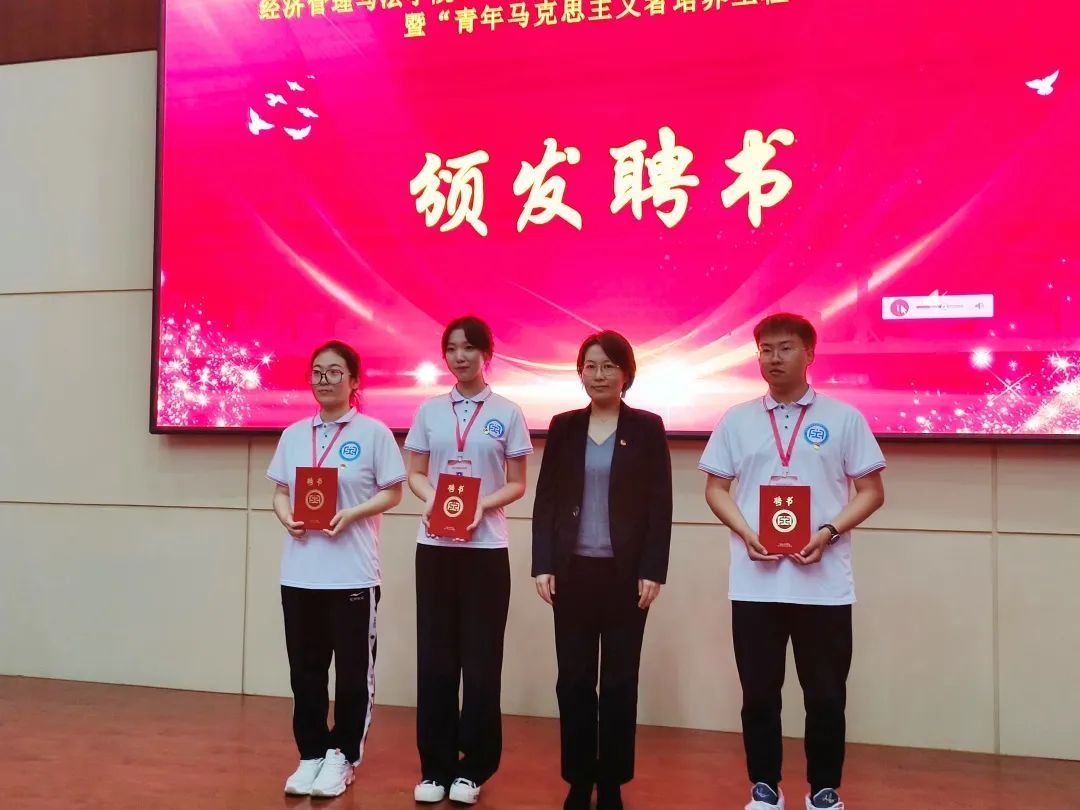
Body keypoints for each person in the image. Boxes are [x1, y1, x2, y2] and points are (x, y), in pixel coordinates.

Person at [699, 314, 886, 810]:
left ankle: (824, 789)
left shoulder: (844, 418)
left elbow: (871, 491)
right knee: (759, 695)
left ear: (809, 354)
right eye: (765, 349)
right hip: (755, 583)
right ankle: (764, 786)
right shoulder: (737, 420)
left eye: (785, 348)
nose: (774, 358)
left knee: (825, 695)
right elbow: (715, 489)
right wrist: (745, 532)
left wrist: (829, 531)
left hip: (823, 585)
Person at [532, 330, 673, 810]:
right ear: (580, 372)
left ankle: (611, 781)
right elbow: (547, 499)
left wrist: (654, 569)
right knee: (573, 681)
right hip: (572, 573)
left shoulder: (647, 428)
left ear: (626, 373)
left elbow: (660, 505)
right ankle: (578, 778)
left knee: (618, 682)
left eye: (609, 366)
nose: (598, 375)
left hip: (626, 577)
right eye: (590, 366)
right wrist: (543, 562)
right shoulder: (564, 426)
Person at [267, 340, 406, 798]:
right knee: (305, 671)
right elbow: (280, 491)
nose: (324, 380)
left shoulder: (373, 433)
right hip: (300, 574)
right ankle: (310, 753)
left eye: (334, 372)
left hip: (352, 575)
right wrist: (286, 516)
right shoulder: (293, 435)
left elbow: (393, 492)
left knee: (351, 675)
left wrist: (353, 513)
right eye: (317, 372)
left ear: (354, 380)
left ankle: (343, 756)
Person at [404, 315, 533, 806]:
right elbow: (416, 473)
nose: (460, 357)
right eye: (452, 348)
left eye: (469, 348)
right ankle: (435, 768)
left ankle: (473, 768)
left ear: (486, 354)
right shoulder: (430, 411)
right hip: (435, 548)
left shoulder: (507, 412)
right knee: (435, 660)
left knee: (481, 664)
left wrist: (480, 504)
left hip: (485, 551)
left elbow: (517, 483)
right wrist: (434, 499)